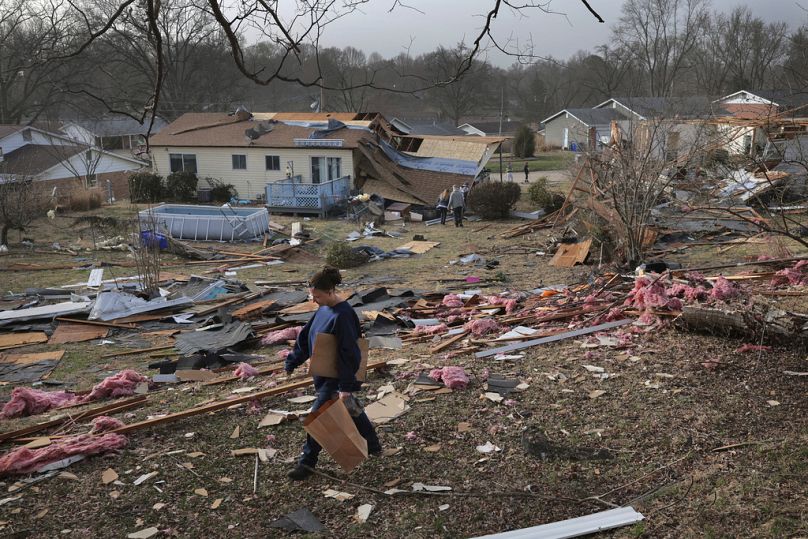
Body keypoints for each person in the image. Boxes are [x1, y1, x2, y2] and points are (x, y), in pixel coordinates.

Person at [285, 266, 382, 480]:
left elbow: (350, 352)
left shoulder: (344, 315)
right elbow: (307, 337)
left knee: (318, 418)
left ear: (330, 292)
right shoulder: (323, 309)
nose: (314, 300)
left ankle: (307, 463)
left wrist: (345, 387)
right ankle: (373, 444)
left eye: (317, 296)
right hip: (322, 375)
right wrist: (292, 361)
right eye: (312, 296)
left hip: (336, 377)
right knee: (348, 407)